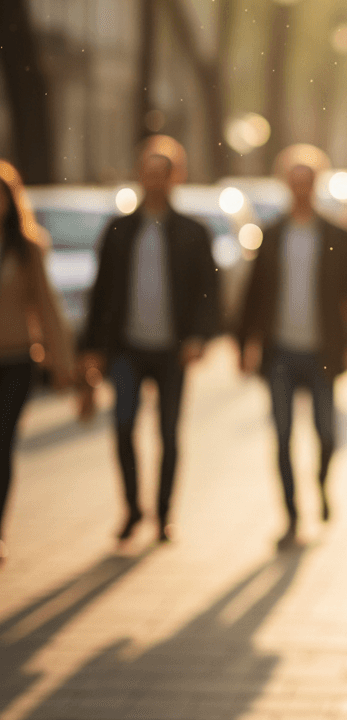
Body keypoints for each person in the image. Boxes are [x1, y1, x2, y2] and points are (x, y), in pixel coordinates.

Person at [80, 137, 220, 543]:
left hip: (173, 350)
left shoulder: (194, 232)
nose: (155, 182)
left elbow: (208, 292)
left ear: (175, 178)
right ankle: (131, 509)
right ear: (140, 176)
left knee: (169, 434)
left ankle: (163, 514)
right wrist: (90, 349)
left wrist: (198, 336)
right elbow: (101, 292)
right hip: (126, 349)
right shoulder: (120, 231)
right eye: (148, 173)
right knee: (123, 427)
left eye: (163, 174)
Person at [236, 148, 347, 549]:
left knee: (327, 433)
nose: (300, 189)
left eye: (307, 182)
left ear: (316, 184)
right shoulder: (272, 234)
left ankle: (322, 485)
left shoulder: (337, 235)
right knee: (281, 436)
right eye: (293, 182)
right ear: (285, 185)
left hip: (322, 352)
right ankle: (292, 518)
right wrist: (244, 345)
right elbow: (253, 294)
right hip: (280, 353)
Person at [0, 161, 74, 563]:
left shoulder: (27, 247)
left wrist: (62, 364)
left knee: (2, 443)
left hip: (15, 360)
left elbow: (46, 306)